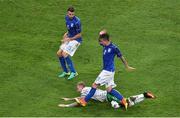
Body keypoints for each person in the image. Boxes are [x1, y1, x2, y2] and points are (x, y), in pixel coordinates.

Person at [76, 31, 136, 110]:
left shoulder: (114, 48)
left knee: (94, 85)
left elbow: (121, 56)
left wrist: (127, 66)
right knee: (109, 89)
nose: (100, 43)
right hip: (109, 71)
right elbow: (102, 40)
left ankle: (84, 101)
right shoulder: (105, 46)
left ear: (105, 40)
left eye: (101, 41)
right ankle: (124, 100)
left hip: (107, 71)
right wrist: (101, 34)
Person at [58, 81, 155, 108]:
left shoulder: (85, 90)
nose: (76, 89)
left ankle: (144, 95)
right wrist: (68, 99)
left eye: (77, 87)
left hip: (109, 96)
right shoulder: (87, 90)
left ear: (81, 86)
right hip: (109, 97)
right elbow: (80, 98)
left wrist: (67, 105)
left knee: (126, 103)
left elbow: (80, 101)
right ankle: (144, 96)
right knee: (118, 105)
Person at [57, 6, 82, 80]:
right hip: (69, 37)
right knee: (59, 53)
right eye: (70, 14)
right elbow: (69, 29)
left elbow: (79, 35)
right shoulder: (66, 18)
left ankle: (74, 72)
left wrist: (69, 39)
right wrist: (66, 34)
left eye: (72, 14)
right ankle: (66, 72)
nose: (71, 16)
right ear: (67, 13)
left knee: (64, 53)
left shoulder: (77, 21)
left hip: (76, 40)